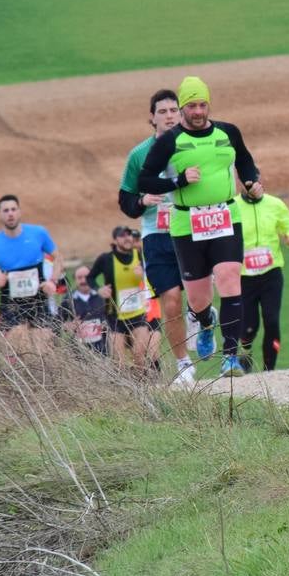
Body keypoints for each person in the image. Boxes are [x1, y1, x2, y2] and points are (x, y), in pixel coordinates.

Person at [138, 75, 264, 378]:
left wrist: (251, 181)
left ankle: (230, 357)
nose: (198, 111)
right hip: (188, 223)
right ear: (182, 109)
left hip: (225, 215)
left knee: (229, 277)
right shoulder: (170, 141)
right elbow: (145, 179)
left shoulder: (228, 132)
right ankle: (206, 322)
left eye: (202, 104)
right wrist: (178, 181)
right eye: (191, 106)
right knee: (197, 299)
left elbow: (245, 161)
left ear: (209, 104)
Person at [119, 89, 195, 384]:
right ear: (152, 118)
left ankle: (201, 317)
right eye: (162, 112)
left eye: (173, 110)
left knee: (198, 299)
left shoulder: (190, 145)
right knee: (171, 299)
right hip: (156, 235)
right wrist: (141, 202)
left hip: (191, 228)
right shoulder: (139, 155)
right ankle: (184, 364)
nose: (168, 116)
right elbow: (125, 200)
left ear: (181, 114)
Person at [0, 195, 62, 358]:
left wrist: (52, 281)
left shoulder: (38, 233)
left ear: (19, 212)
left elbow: (59, 258)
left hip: (38, 300)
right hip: (11, 304)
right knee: (23, 355)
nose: (10, 214)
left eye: (13, 209)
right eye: (5, 210)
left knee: (45, 354)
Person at [237, 191, 289, 372]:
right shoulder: (233, 206)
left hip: (271, 274)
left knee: (272, 320)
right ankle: (246, 351)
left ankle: (269, 369)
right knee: (249, 325)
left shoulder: (275, 204)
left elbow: (288, 225)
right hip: (244, 277)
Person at [89, 226, 153, 372]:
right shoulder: (105, 259)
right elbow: (90, 277)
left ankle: (143, 389)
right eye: (122, 236)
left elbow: (154, 276)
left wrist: (143, 274)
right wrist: (99, 289)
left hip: (138, 314)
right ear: (115, 240)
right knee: (119, 362)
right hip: (115, 317)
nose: (127, 238)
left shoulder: (140, 255)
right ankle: (125, 390)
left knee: (139, 356)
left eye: (129, 235)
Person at [60, 265, 108, 355]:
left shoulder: (103, 296)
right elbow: (57, 321)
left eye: (86, 277)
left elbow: (115, 318)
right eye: (79, 278)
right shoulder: (68, 299)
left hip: (103, 348)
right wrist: (68, 326)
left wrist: (106, 324)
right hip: (79, 351)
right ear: (75, 280)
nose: (83, 280)